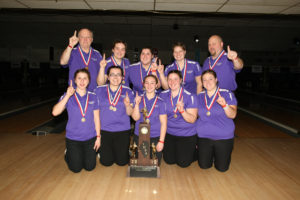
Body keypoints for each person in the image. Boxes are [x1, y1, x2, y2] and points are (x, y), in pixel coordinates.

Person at [52, 69, 100, 173]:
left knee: (90, 167)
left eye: (85, 78)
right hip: (73, 138)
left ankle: (84, 154)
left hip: (90, 138)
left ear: (89, 81)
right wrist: (68, 96)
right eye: (79, 78)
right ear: (75, 80)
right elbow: (55, 112)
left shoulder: (93, 96)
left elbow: (96, 118)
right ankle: (68, 153)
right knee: (76, 169)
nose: (82, 81)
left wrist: (98, 137)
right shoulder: (68, 95)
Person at [196, 69, 237, 172]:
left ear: (216, 79)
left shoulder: (226, 94)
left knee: (222, 168)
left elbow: (233, 115)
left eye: (210, 79)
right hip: (204, 137)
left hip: (223, 137)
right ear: (202, 82)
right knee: (204, 166)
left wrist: (225, 105)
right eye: (204, 80)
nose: (207, 82)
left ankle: (218, 154)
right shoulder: (199, 96)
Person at [94, 66, 134, 166]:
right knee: (106, 163)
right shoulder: (99, 90)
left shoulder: (128, 91)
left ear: (122, 78)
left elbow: (130, 113)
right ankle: (103, 153)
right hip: (104, 130)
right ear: (107, 77)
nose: (115, 77)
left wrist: (127, 105)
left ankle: (125, 151)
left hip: (122, 130)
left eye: (118, 75)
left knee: (122, 162)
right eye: (112, 74)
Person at [159, 70, 198, 168]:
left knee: (183, 163)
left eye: (175, 79)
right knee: (169, 160)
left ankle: (197, 149)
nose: (172, 82)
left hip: (186, 134)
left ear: (181, 80)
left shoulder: (190, 96)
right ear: (167, 81)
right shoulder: (163, 95)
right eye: (170, 79)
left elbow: (192, 119)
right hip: (170, 133)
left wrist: (182, 111)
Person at [131, 75, 167, 165]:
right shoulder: (138, 99)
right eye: (147, 83)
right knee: (138, 164)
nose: (149, 85)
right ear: (143, 84)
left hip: (155, 136)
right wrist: (136, 104)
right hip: (139, 135)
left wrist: (161, 141)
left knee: (155, 164)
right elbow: (135, 118)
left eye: (152, 83)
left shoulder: (161, 102)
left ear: (156, 85)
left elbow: (164, 123)